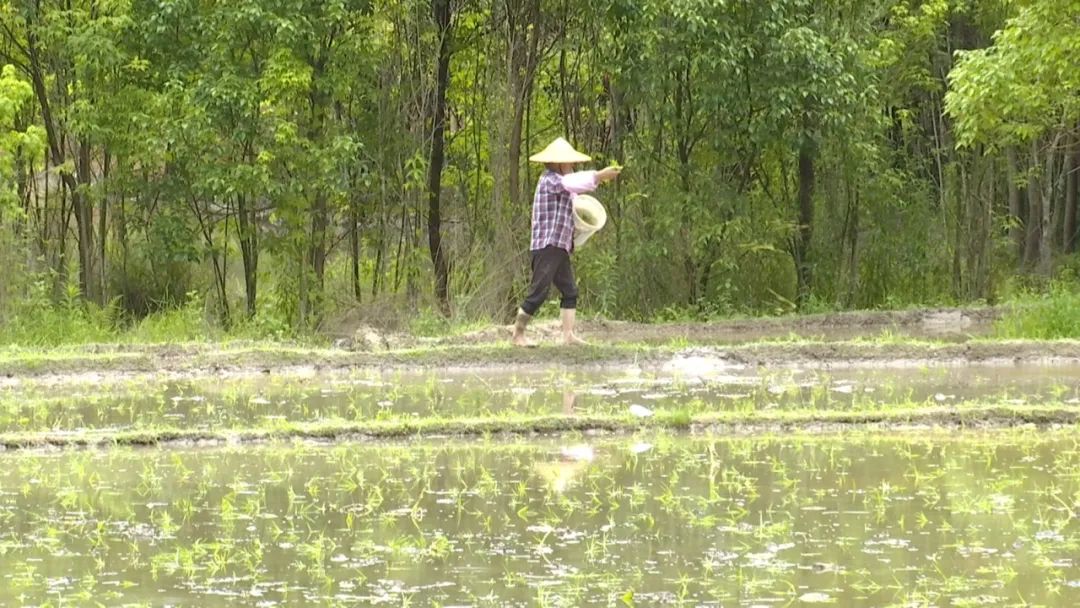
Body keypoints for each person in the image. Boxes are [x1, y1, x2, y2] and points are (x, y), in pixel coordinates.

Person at [512, 137, 621, 347]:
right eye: (569, 163)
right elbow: (571, 183)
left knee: (570, 291)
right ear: (559, 164)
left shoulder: (564, 187)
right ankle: (518, 334)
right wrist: (599, 176)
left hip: (560, 247)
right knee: (538, 293)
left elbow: (574, 204)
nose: (572, 166)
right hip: (547, 246)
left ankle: (568, 336)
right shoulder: (550, 180)